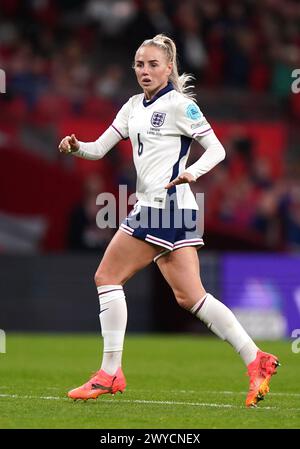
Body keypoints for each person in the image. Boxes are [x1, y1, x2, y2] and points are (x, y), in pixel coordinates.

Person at [58, 34, 279, 407]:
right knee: (191, 296)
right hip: (170, 208)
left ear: (169, 68)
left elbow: (217, 149)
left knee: (107, 277)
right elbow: (97, 149)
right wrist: (77, 147)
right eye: (140, 64)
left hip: (166, 205)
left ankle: (110, 372)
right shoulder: (131, 107)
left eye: (153, 64)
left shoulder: (180, 105)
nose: (145, 70)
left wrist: (193, 172)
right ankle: (256, 358)